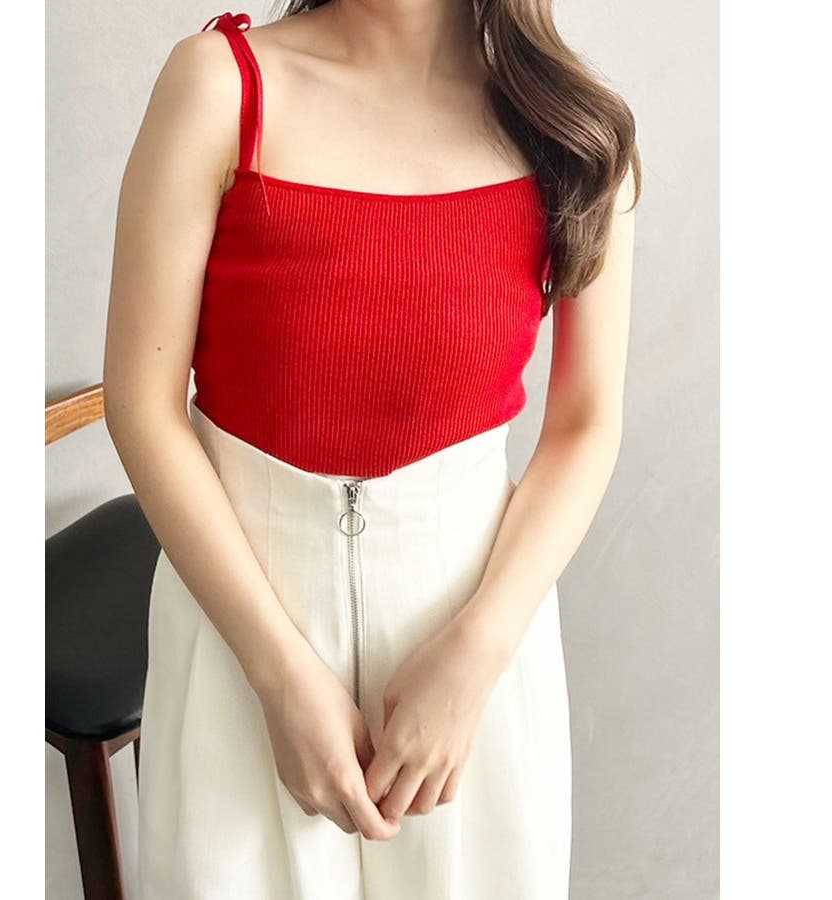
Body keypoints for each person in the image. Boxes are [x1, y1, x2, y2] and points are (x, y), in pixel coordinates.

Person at [103, 2, 639, 897]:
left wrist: (476, 654)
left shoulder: (573, 130)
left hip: (473, 655)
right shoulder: (219, 88)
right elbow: (141, 404)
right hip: (242, 634)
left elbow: (586, 424)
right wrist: (279, 677)